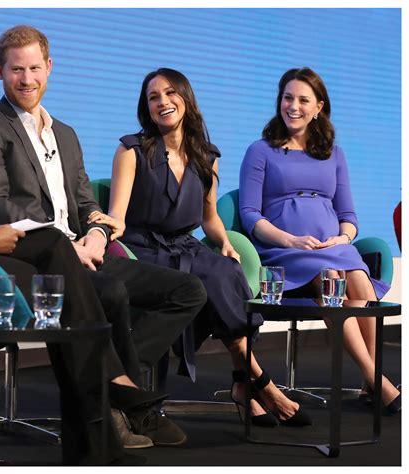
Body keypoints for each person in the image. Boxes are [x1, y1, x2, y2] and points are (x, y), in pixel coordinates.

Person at [0, 26, 208, 452]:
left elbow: (87, 202)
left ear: (49, 68)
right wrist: (62, 242)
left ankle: (115, 393)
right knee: (110, 293)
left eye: (35, 68)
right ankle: (122, 402)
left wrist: (95, 233)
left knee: (188, 290)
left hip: (81, 251)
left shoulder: (66, 134)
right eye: (16, 70)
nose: (27, 79)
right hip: (26, 256)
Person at [96, 67, 311, 427]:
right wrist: (106, 227)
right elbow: (118, 213)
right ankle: (260, 384)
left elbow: (209, 217)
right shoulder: (131, 150)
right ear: (146, 107)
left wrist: (224, 242)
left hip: (185, 246)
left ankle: (247, 384)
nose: (162, 102)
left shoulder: (206, 156)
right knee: (210, 283)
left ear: (186, 98)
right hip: (143, 248)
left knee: (226, 271)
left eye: (170, 93)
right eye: (153, 97)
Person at [0, 149, 183, 465]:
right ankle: (108, 407)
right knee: (67, 277)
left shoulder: (65, 136)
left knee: (57, 256)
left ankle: (105, 421)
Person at [238, 67, 400, 413]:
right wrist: (290, 240)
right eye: (287, 98)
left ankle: (369, 382)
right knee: (332, 278)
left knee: (357, 275)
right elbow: (250, 214)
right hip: (284, 250)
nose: (293, 106)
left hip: (332, 248)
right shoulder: (260, 151)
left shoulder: (334, 155)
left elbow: (349, 216)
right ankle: (377, 379)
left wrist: (342, 238)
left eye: (302, 100)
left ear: (318, 107)